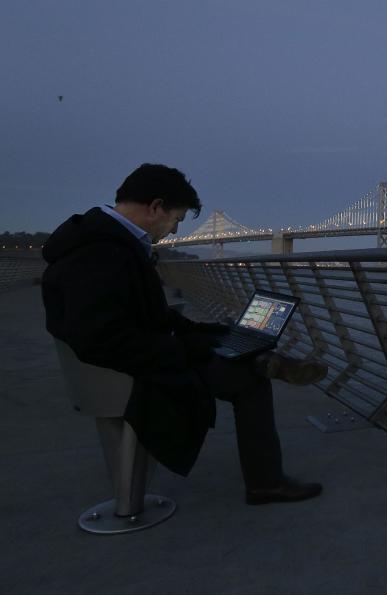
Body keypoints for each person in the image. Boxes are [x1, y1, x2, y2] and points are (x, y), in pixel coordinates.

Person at [42, 163, 327, 505]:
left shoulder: (99, 241)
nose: (175, 231)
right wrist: (185, 347)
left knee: (225, 344)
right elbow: (105, 337)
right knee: (248, 381)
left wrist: (210, 332)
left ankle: (260, 354)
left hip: (116, 364)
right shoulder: (102, 253)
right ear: (155, 207)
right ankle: (266, 480)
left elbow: (145, 318)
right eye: (176, 220)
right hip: (118, 377)